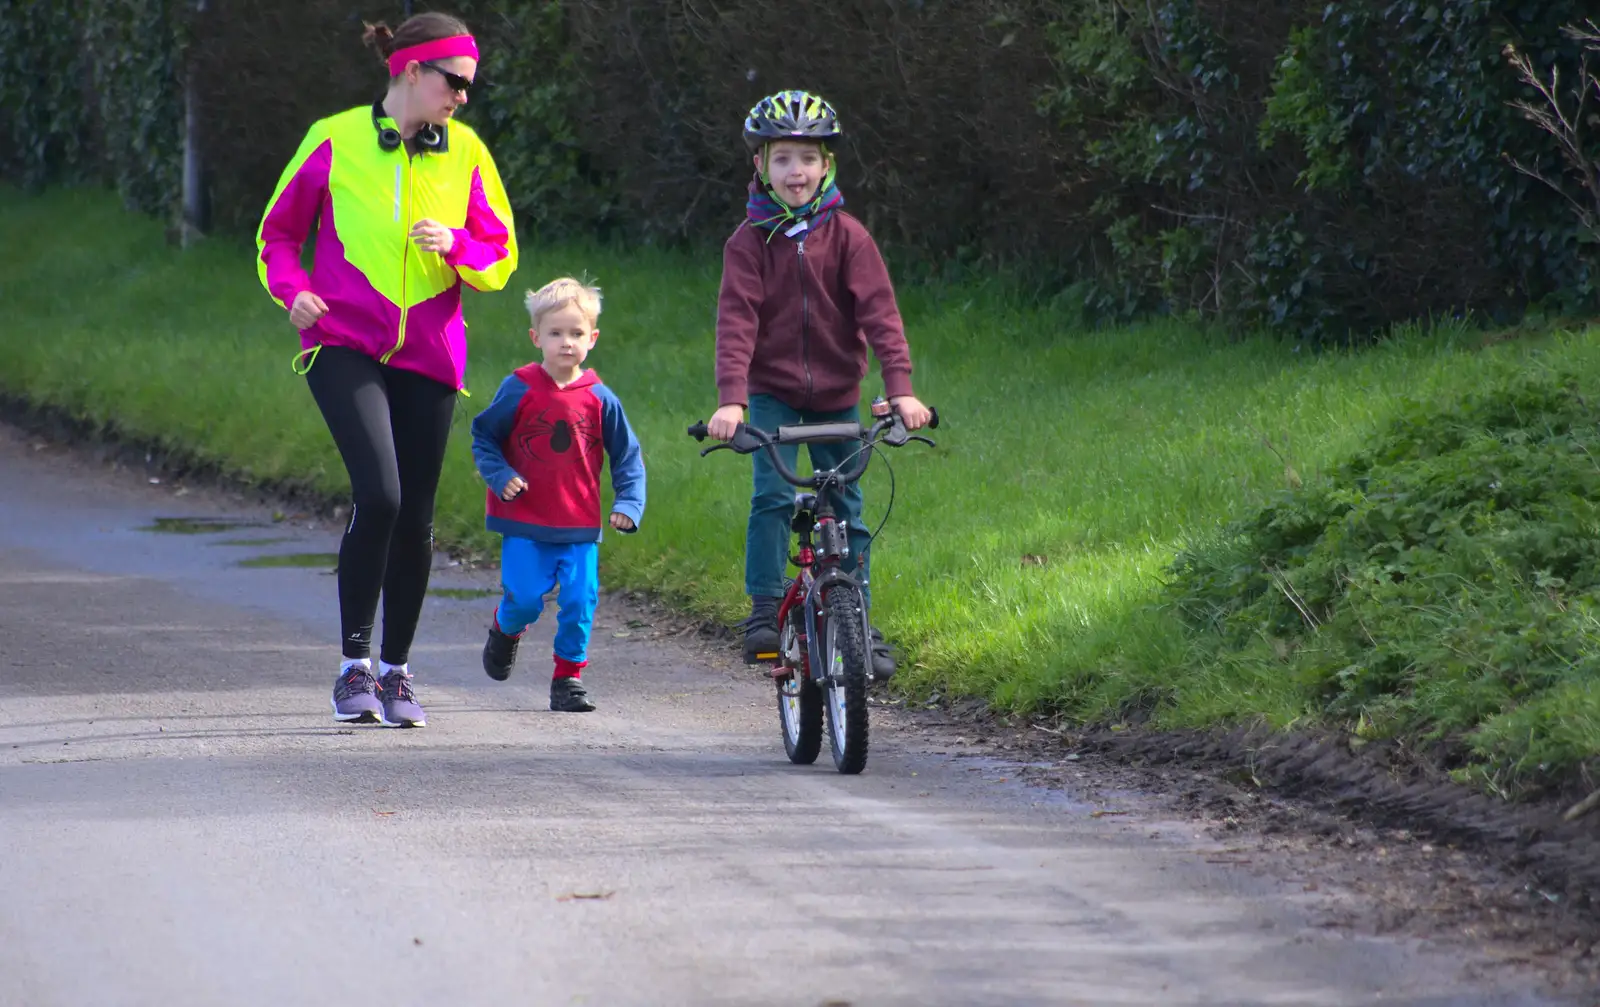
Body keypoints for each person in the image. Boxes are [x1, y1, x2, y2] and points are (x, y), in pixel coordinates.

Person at [256, 12, 518, 727]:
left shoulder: (465, 152)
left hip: (431, 355)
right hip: (342, 342)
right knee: (380, 495)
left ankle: (398, 674)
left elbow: (501, 256)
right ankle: (352, 668)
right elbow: (276, 234)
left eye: (469, 86)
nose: (463, 97)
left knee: (418, 519)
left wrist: (458, 243)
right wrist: (293, 290)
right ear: (411, 71)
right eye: (454, 82)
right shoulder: (334, 138)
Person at [707, 90, 933, 680]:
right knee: (773, 497)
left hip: (837, 392)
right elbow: (736, 323)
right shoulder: (747, 242)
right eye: (782, 158)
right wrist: (732, 400)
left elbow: (881, 316)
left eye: (807, 158)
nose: (796, 171)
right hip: (772, 393)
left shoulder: (850, 237)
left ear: (826, 165)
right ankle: (762, 607)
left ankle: (856, 613)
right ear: (761, 166)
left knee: (850, 508)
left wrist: (901, 388)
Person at [472, 277, 646, 713]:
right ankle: (505, 630)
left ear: (593, 338)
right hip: (525, 521)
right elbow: (484, 437)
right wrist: (500, 475)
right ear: (536, 337)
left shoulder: (601, 399)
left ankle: (567, 678)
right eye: (555, 333)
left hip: (579, 524)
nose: (566, 342)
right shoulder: (519, 387)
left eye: (575, 333)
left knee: (579, 599)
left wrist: (628, 503)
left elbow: (628, 457)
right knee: (526, 598)